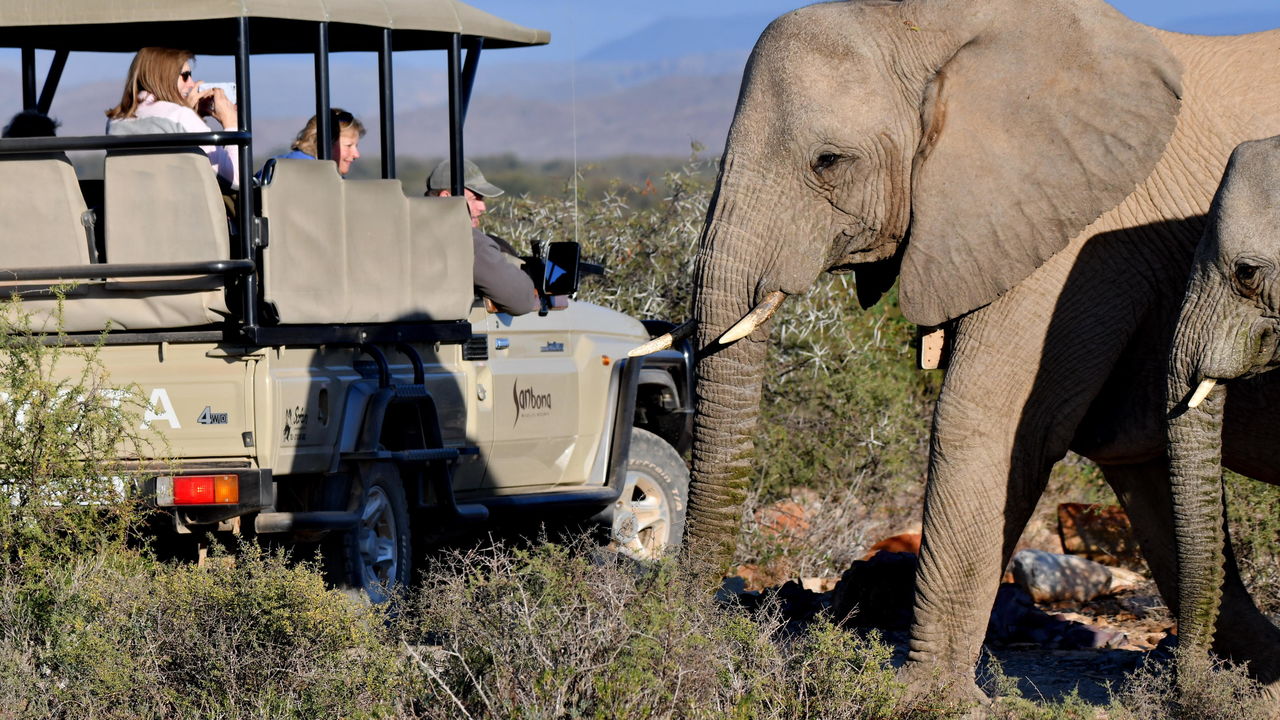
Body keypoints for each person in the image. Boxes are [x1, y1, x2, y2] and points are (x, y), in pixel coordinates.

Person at [104, 47, 240, 188]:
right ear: (166, 75)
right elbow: (236, 179)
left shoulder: (115, 121)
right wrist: (231, 123)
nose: (192, 83)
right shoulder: (181, 116)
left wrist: (193, 115)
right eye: (185, 75)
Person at [426, 159, 539, 316]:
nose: (483, 207)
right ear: (446, 197)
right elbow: (521, 300)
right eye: (475, 198)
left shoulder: (403, 231)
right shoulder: (466, 241)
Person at [274, 109, 364, 176]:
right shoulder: (298, 172)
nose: (356, 155)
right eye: (348, 145)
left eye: (356, 146)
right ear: (324, 143)